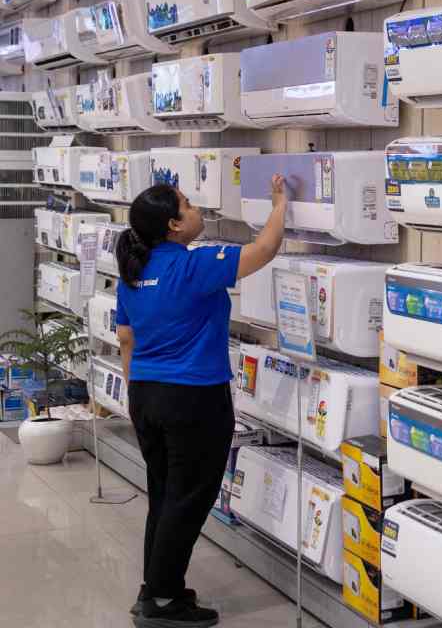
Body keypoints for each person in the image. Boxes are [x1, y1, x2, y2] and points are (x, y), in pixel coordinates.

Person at [115, 175, 288, 628]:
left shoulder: (134, 272)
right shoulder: (193, 265)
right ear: (173, 225)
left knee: (165, 494)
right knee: (189, 499)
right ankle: (164, 600)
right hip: (193, 399)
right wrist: (279, 205)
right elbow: (264, 250)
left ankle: (155, 587)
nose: (198, 212)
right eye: (189, 206)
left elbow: (126, 337)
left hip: (147, 395)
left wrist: (137, 398)